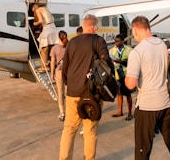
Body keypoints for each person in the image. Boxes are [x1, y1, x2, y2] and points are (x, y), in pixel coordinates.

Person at [125, 16, 170, 160]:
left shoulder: (137, 51)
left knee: (142, 150)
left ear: (135, 30)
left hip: (147, 106)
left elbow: (131, 84)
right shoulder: (167, 45)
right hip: (168, 104)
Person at [59, 14, 113, 160]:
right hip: (91, 93)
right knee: (90, 131)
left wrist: (68, 84)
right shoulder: (98, 41)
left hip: (72, 92)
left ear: (83, 26)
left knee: (69, 128)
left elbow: (65, 67)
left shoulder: (72, 42)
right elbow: (106, 66)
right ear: (94, 27)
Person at [109, 34, 133, 120]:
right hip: (117, 75)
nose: (116, 43)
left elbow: (132, 62)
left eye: (118, 41)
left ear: (123, 41)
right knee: (119, 94)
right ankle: (120, 111)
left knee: (128, 94)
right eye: (115, 41)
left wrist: (119, 61)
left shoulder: (129, 50)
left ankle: (130, 113)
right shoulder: (111, 51)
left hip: (126, 75)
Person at [32, 3, 57, 71]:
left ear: (34, 8)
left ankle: (45, 66)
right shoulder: (46, 9)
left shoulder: (37, 10)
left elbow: (41, 21)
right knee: (52, 48)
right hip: (53, 28)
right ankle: (54, 63)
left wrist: (35, 23)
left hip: (47, 29)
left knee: (44, 49)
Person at [50, 30, 68, 121]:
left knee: (60, 93)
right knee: (68, 92)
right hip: (69, 70)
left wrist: (52, 73)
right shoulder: (69, 47)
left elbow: (52, 63)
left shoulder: (55, 48)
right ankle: (70, 111)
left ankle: (62, 112)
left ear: (58, 37)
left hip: (60, 71)